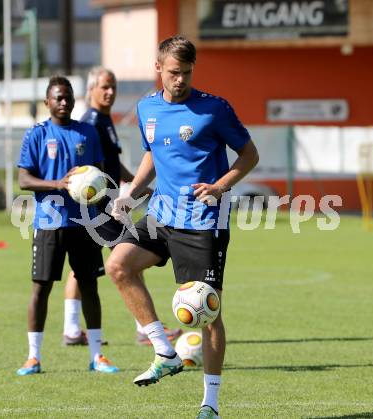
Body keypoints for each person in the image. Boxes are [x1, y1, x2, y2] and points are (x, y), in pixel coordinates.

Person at [105, 36, 259, 418]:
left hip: (204, 222)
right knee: (118, 265)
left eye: (187, 73)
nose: (180, 80)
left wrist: (221, 185)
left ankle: (210, 403)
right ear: (158, 69)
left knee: (208, 313)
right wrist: (131, 192)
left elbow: (250, 155)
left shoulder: (214, 109)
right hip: (161, 215)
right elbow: (153, 155)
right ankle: (164, 351)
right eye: (174, 72)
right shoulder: (146, 109)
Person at [62, 67, 182, 347]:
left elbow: (112, 165)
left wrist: (136, 182)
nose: (110, 92)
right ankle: (144, 328)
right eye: (104, 86)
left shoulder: (103, 120)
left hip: (106, 206)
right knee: (128, 262)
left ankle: (71, 329)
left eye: (113, 86)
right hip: (100, 208)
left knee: (84, 267)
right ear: (90, 89)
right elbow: (87, 168)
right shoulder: (91, 123)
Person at [16, 75, 119, 376]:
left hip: (83, 223)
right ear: (47, 102)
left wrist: (103, 201)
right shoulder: (36, 134)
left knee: (89, 286)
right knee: (41, 288)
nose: (63, 102)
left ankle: (97, 356)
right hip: (49, 222)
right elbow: (24, 179)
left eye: (68, 97)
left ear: (74, 101)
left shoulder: (87, 132)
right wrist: (58, 184)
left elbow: (97, 176)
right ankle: (33, 357)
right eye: (57, 97)